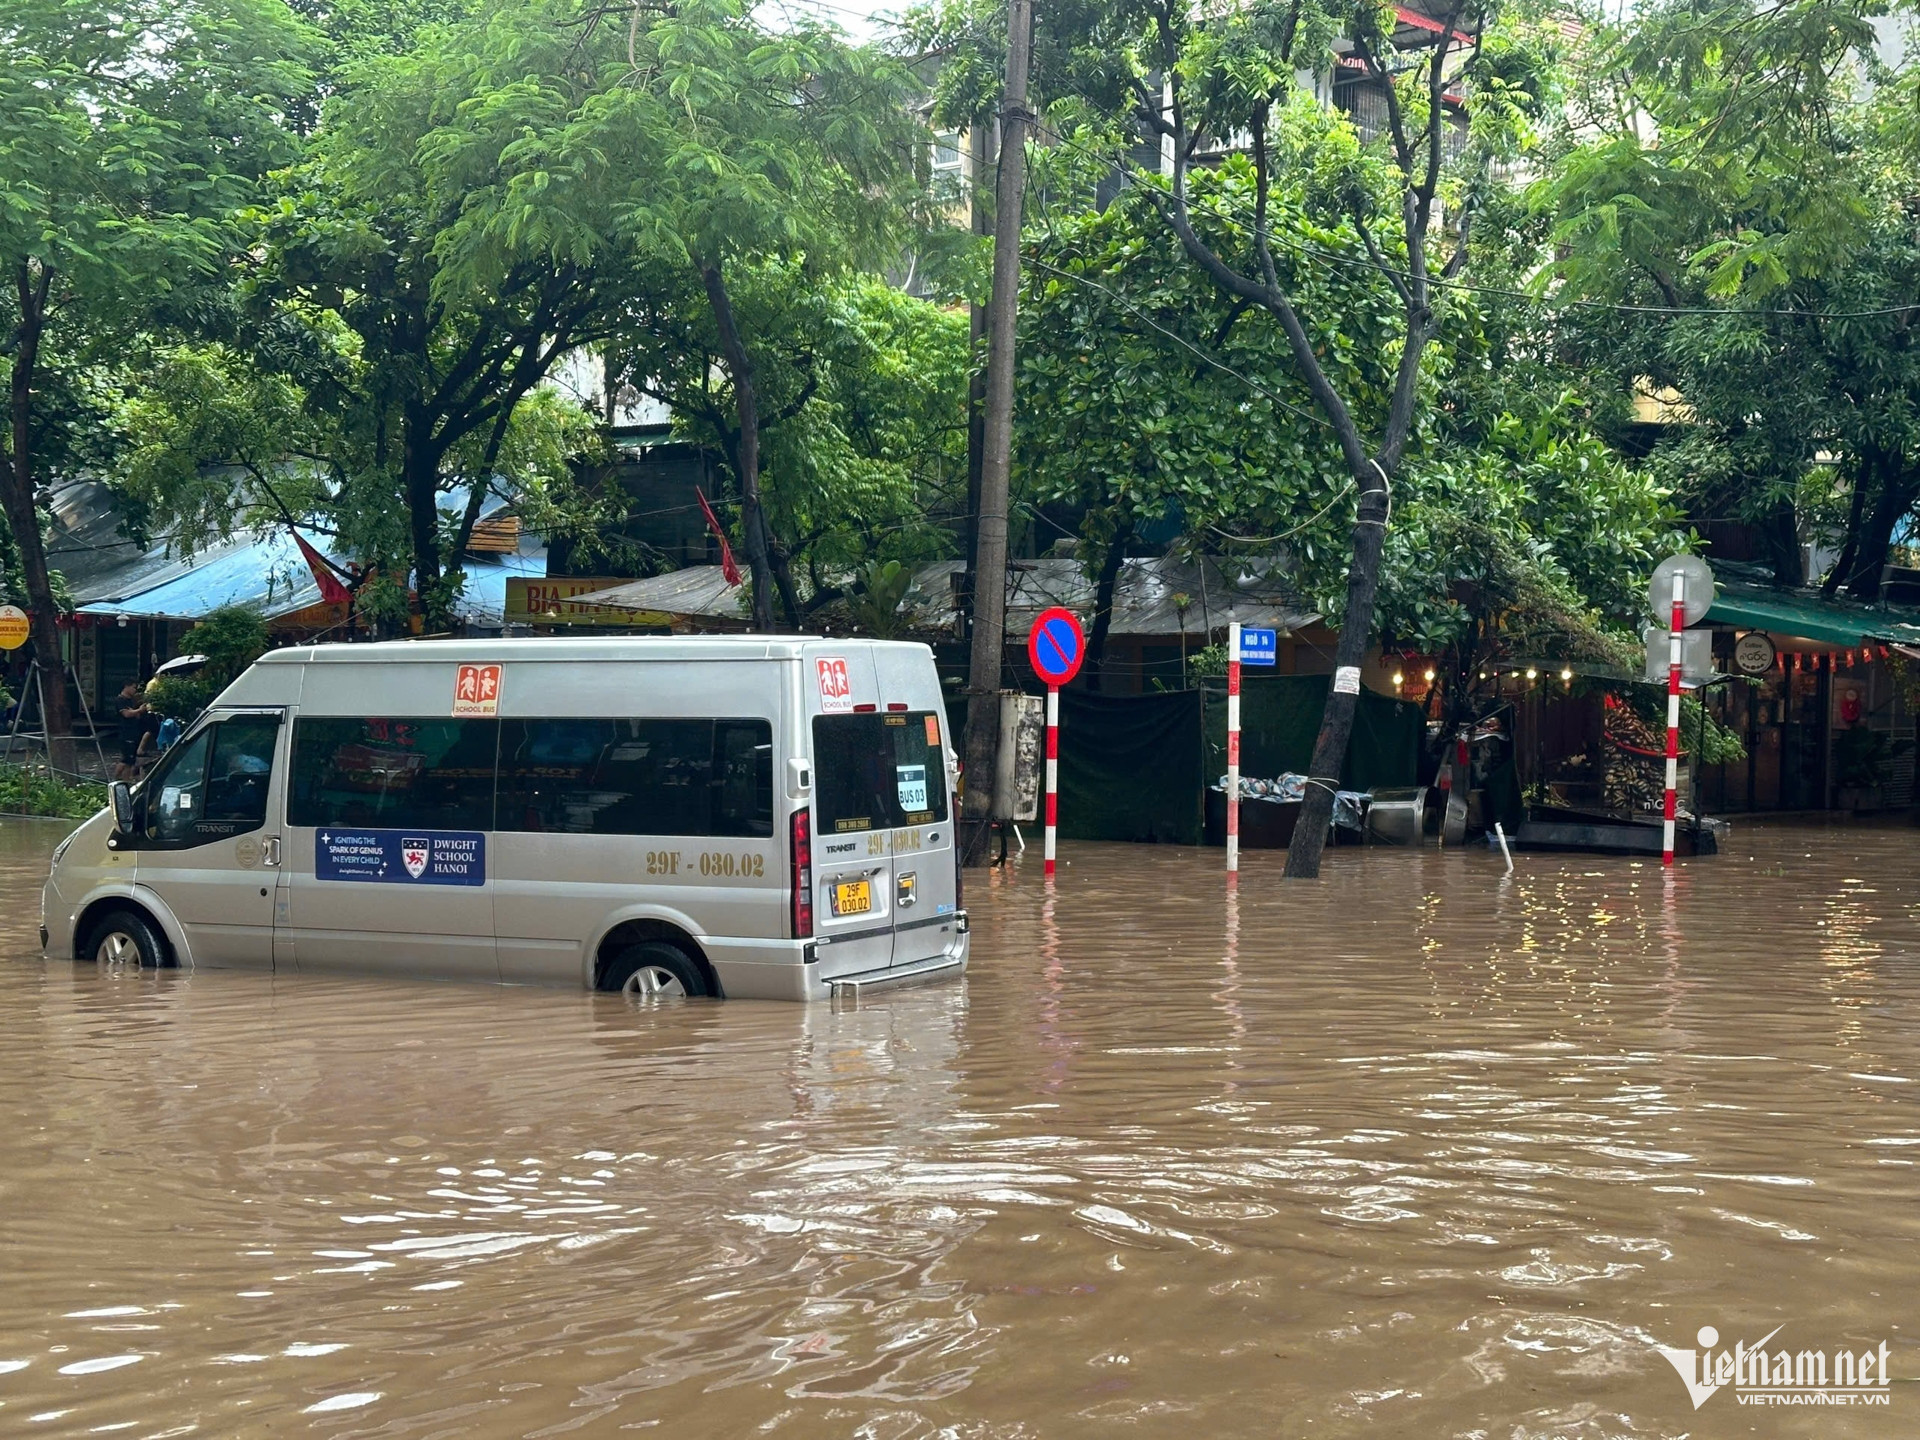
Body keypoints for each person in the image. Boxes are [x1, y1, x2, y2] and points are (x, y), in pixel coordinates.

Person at [113, 681, 148, 782]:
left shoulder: (131, 700)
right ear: (126, 687)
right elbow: (127, 714)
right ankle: (115, 778)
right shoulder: (120, 700)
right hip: (125, 733)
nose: (134, 690)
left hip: (134, 732)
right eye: (133, 687)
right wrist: (139, 710)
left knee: (131, 761)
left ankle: (126, 780)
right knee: (125, 760)